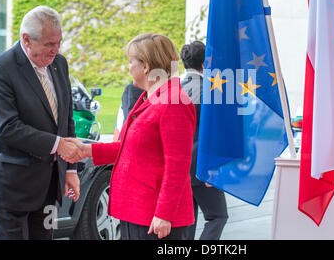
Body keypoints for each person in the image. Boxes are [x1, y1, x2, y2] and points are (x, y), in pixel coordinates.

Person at [64, 33, 196, 240]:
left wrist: (164, 213)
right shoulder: (150, 97)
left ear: (145, 66)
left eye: (130, 61)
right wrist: (86, 150)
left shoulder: (173, 102)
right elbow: (130, 147)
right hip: (138, 211)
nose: (128, 67)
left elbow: (177, 165)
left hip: (154, 218)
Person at [0, 6, 82, 240]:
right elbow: (7, 128)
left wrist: (70, 168)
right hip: (11, 187)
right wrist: (58, 145)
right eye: (49, 44)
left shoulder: (59, 64)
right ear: (26, 40)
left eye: (59, 42)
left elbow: (65, 118)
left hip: (48, 186)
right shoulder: (0, 70)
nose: (56, 50)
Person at [180, 41, 228, 240]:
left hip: (179, 167)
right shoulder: (211, 91)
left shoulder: (175, 89)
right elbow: (216, 133)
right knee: (218, 216)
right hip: (202, 166)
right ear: (205, 63)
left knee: (188, 221)